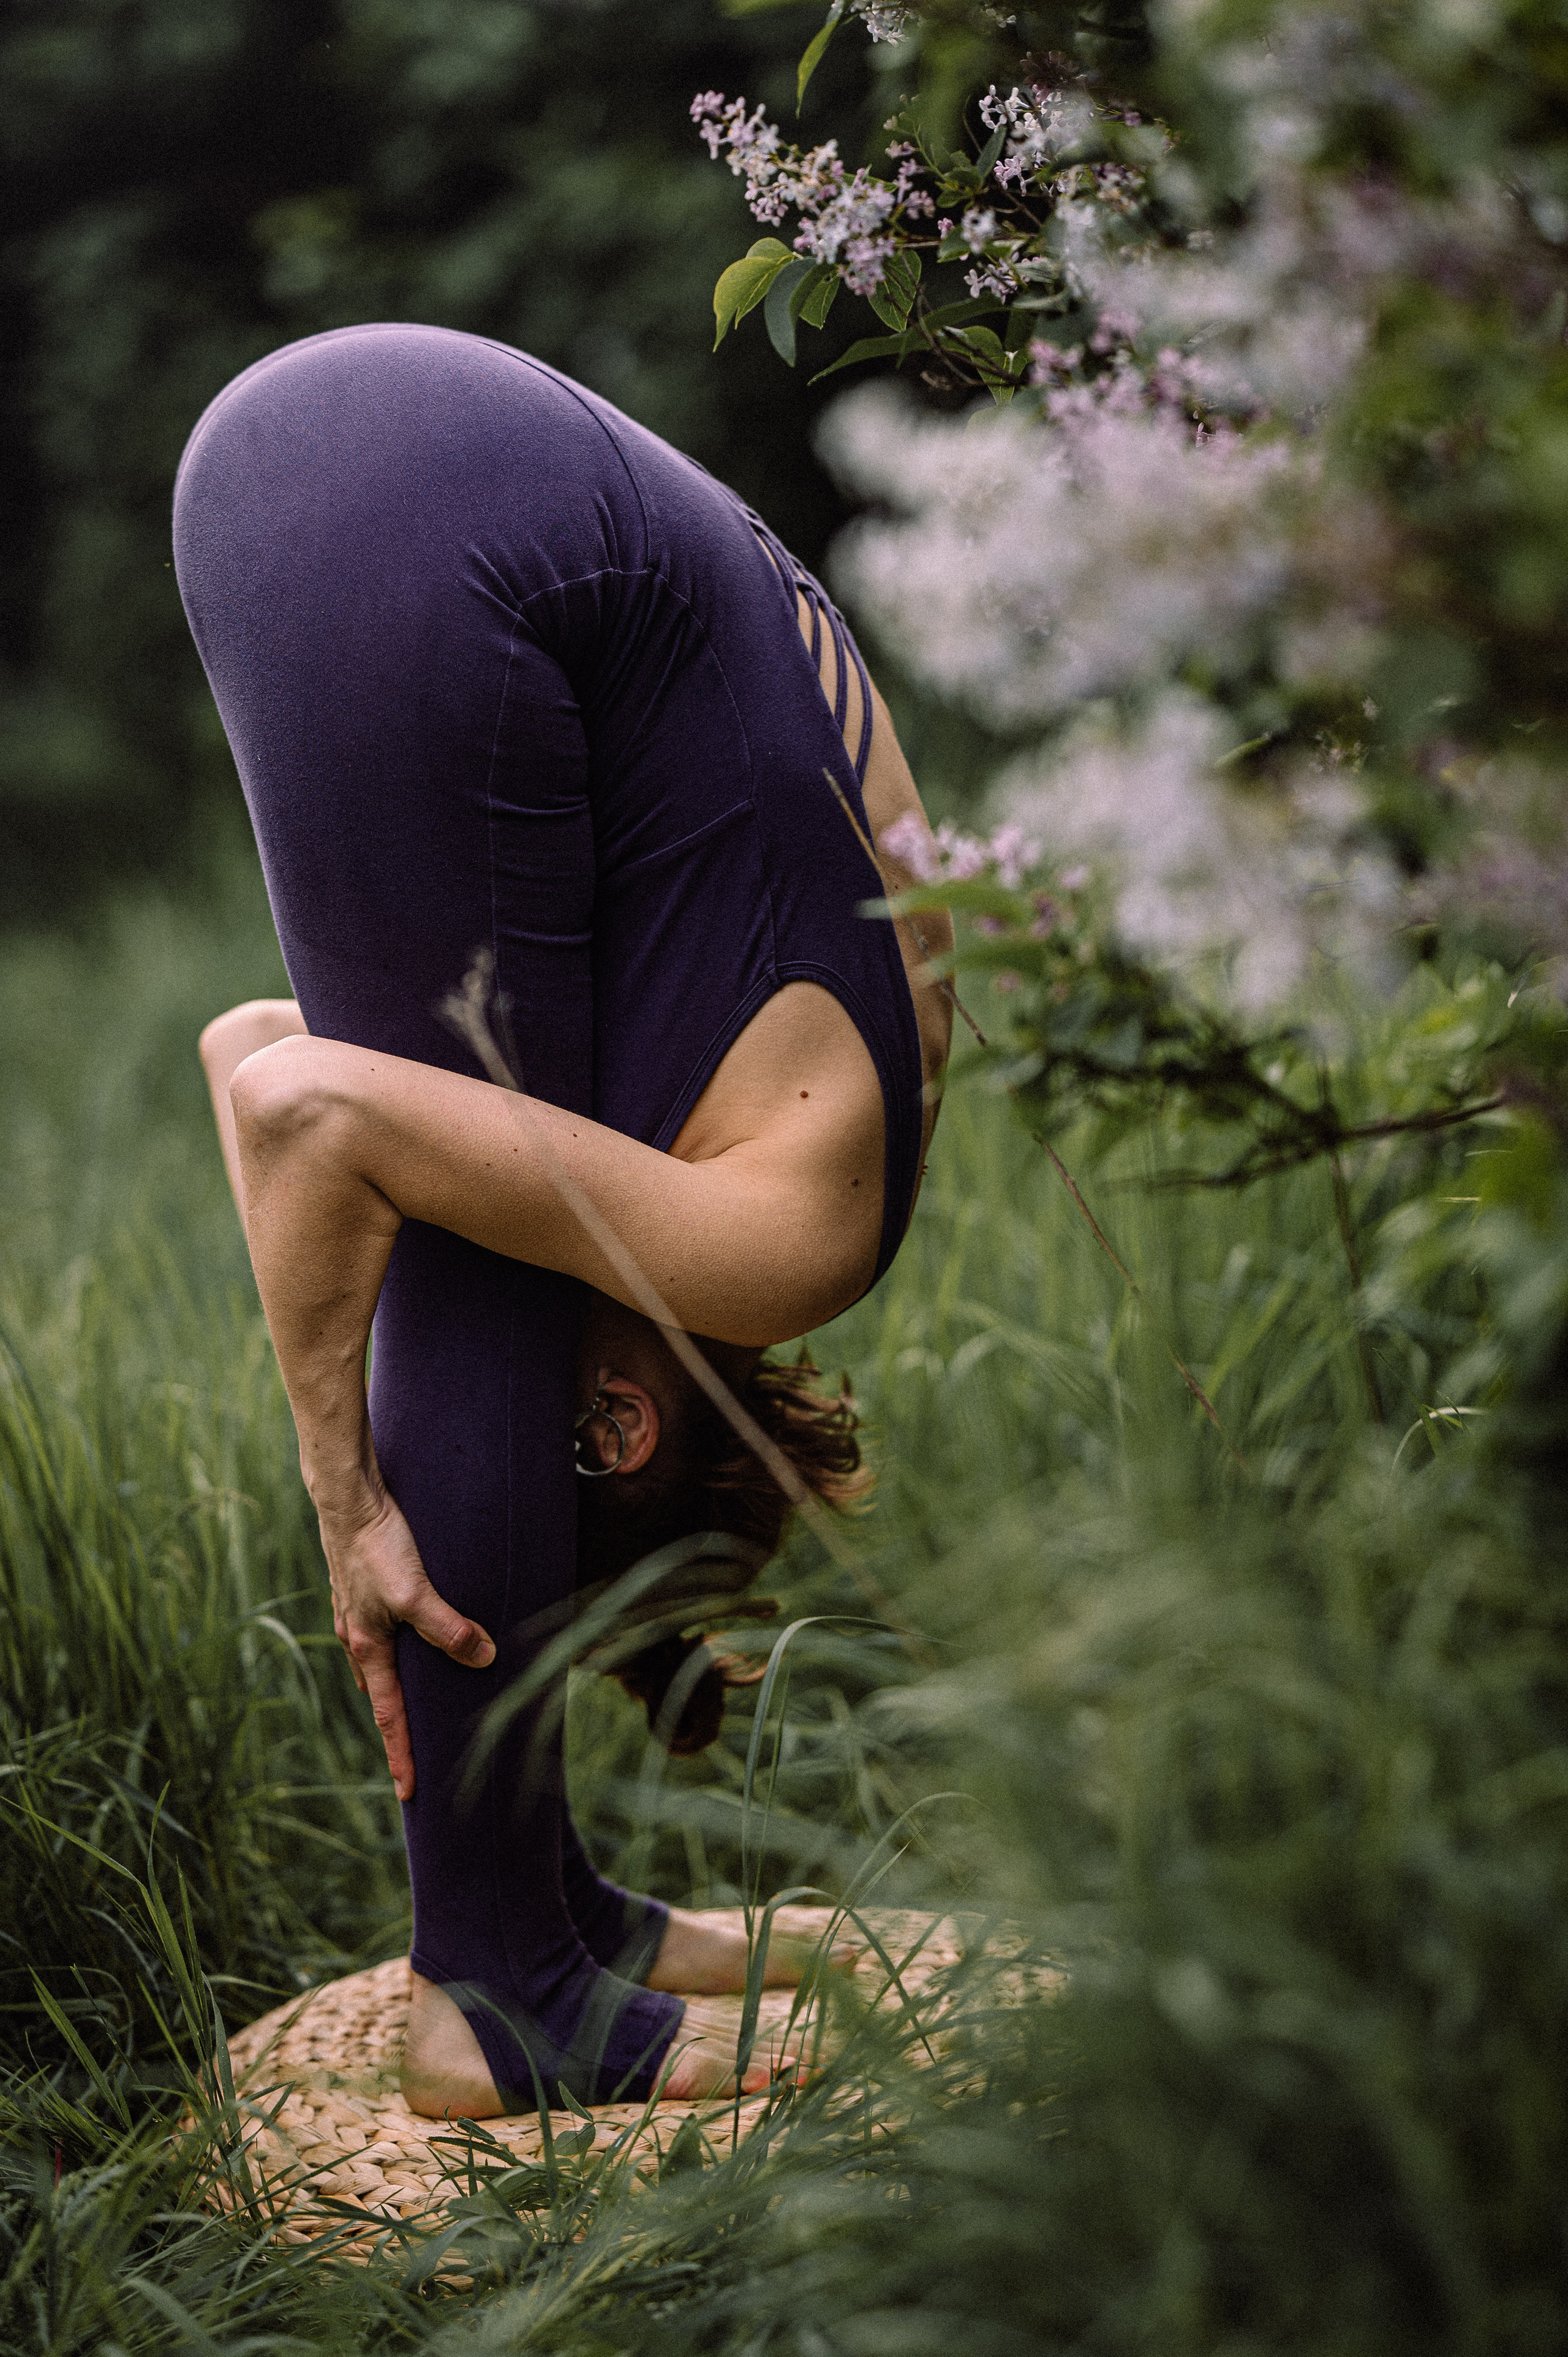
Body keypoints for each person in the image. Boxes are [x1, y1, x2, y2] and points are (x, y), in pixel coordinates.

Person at [175, 324, 952, 2119]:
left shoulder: (786, 1131)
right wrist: (354, 1502)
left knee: (453, 1196)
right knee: (463, 1247)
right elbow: (305, 1114)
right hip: (420, 508)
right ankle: (501, 1991)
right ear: (614, 1429)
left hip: (403, 464)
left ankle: (554, 1911)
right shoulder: (788, 1237)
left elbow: (250, 1052)